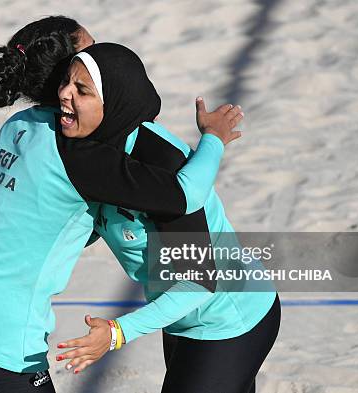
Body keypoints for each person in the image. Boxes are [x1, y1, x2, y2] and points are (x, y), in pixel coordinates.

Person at [0, 17, 242, 393]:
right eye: (89, 54)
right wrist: (214, 139)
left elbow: (16, 219)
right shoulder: (80, 155)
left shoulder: (16, 128)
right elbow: (185, 195)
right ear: (66, 74)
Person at [52, 47, 280, 393]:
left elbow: (199, 283)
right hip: (177, 316)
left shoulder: (158, 163)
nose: (64, 94)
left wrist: (117, 333)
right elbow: (85, 223)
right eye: (65, 82)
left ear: (112, 103)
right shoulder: (90, 149)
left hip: (229, 317)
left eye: (82, 90)